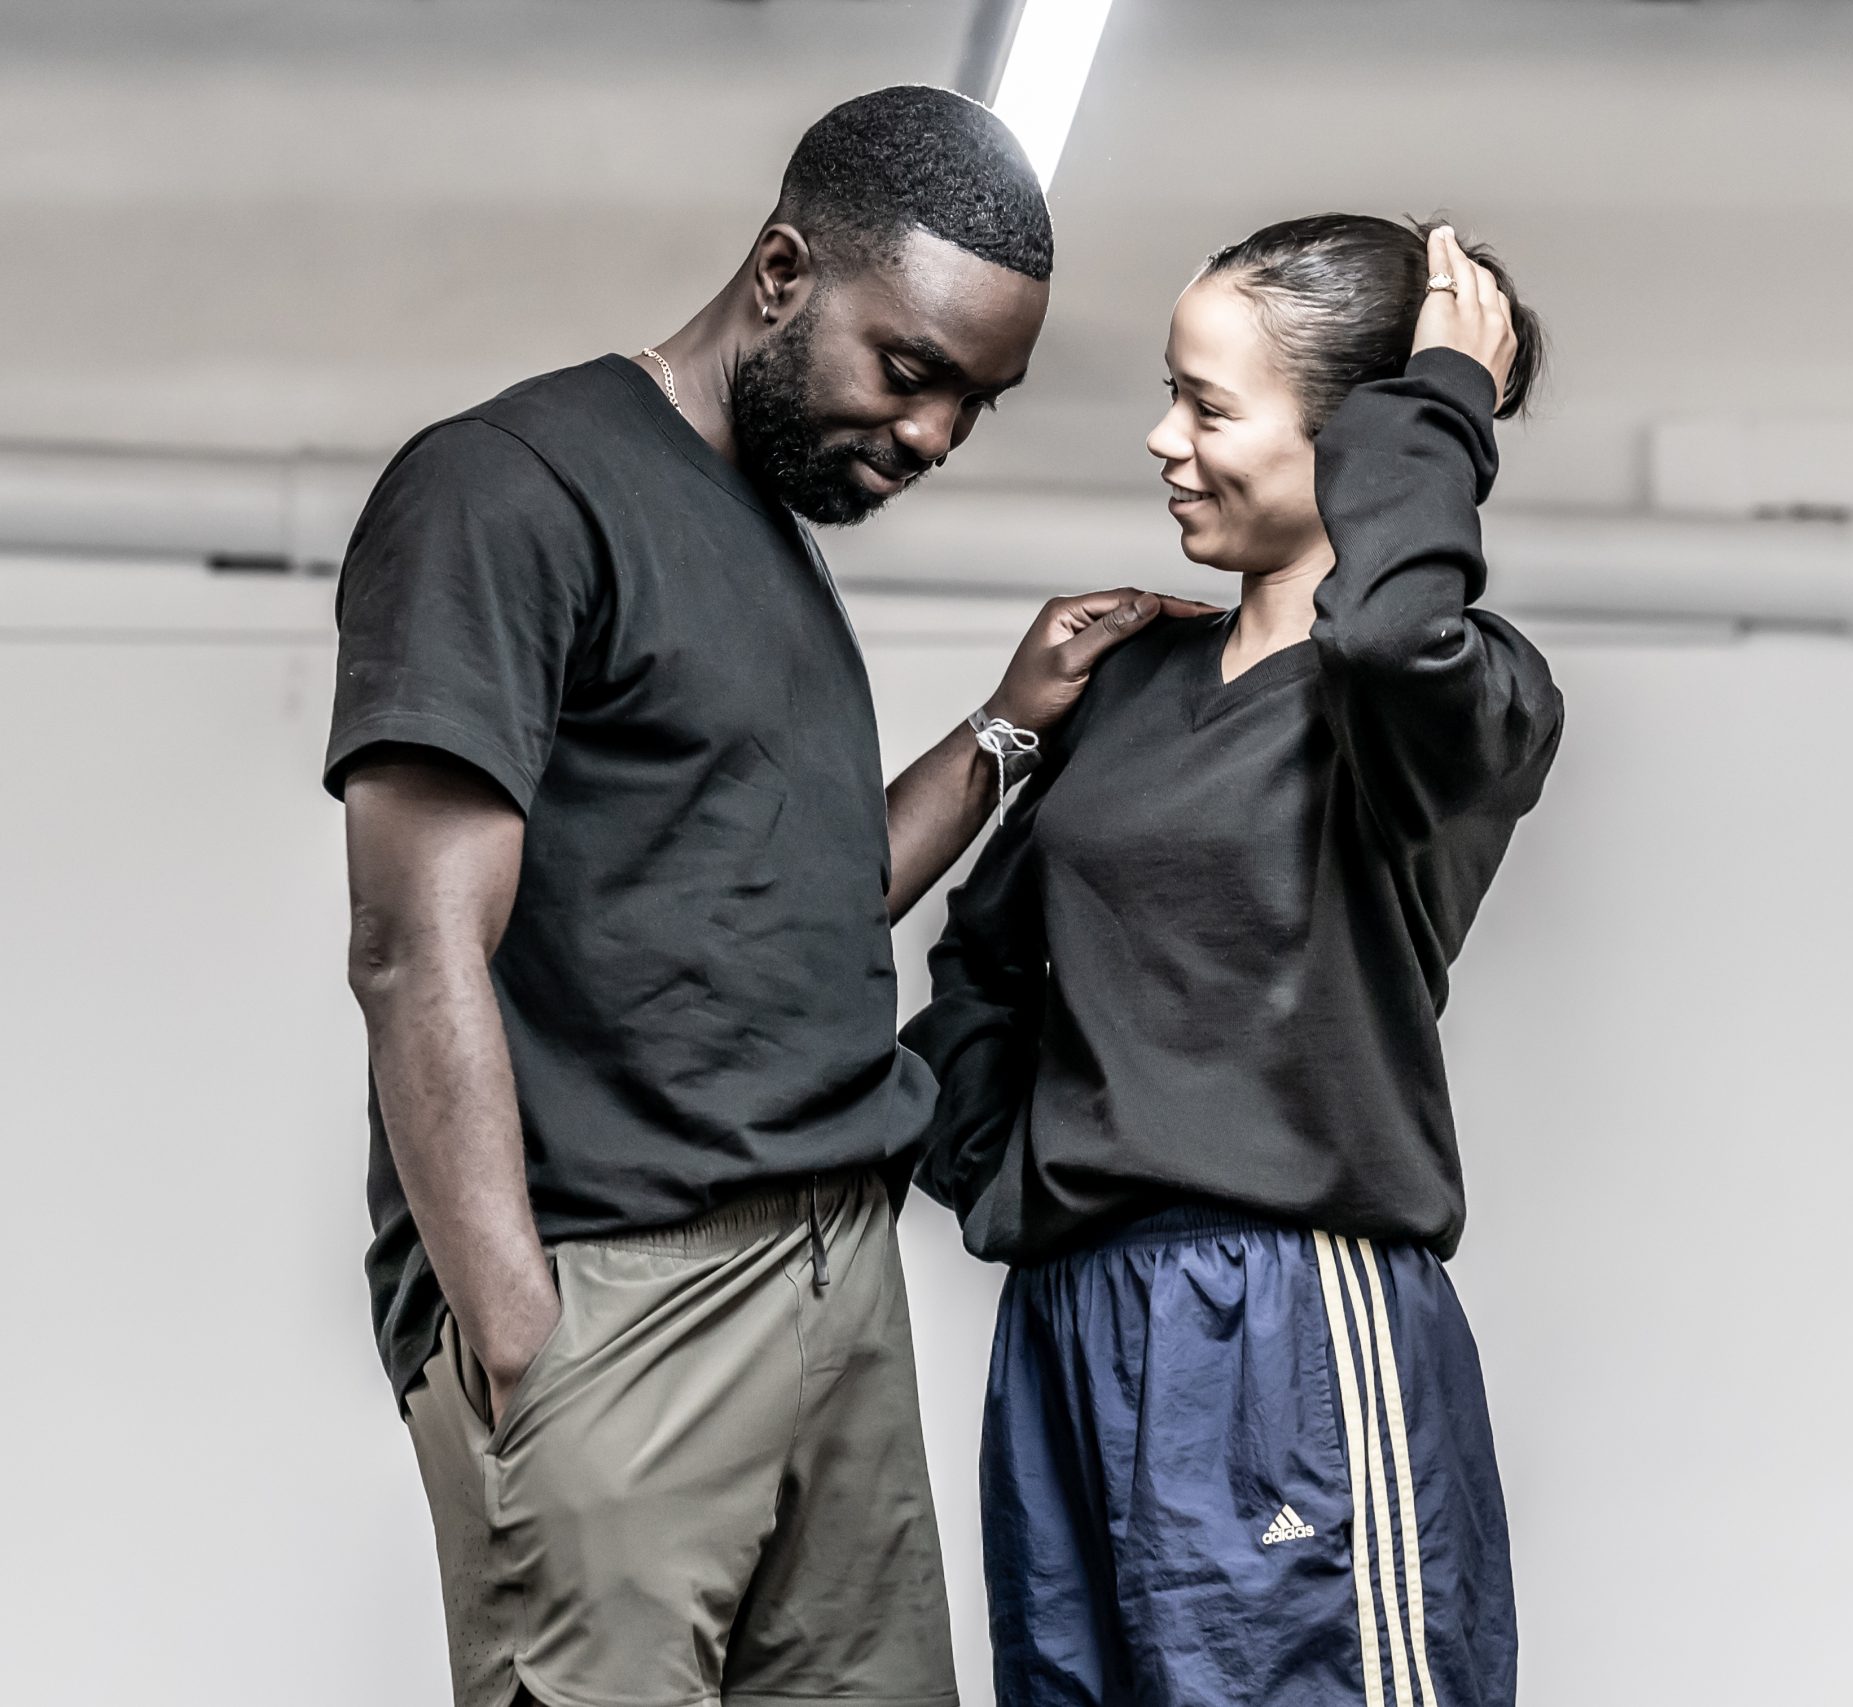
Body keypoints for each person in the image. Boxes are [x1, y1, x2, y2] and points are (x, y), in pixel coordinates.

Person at [328, 87, 1201, 1707]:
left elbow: (806, 904)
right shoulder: (509, 487)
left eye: (976, 406)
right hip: (619, 1297)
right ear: (785, 272)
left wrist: (1009, 725)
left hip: (833, 1284)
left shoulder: (769, 546)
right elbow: (410, 946)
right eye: (913, 370)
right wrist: (524, 1338)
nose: (934, 434)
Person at [902, 217, 1563, 1707]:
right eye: (1172, 394)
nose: (1162, 439)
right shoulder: (1132, 679)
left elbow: (1394, 631)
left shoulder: (1451, 696)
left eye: (1208, 405)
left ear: (1358, 438)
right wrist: (1009, 1174)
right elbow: (989, 961)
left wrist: (1445, 388)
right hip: (1075, 1321)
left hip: (1290, 1328)